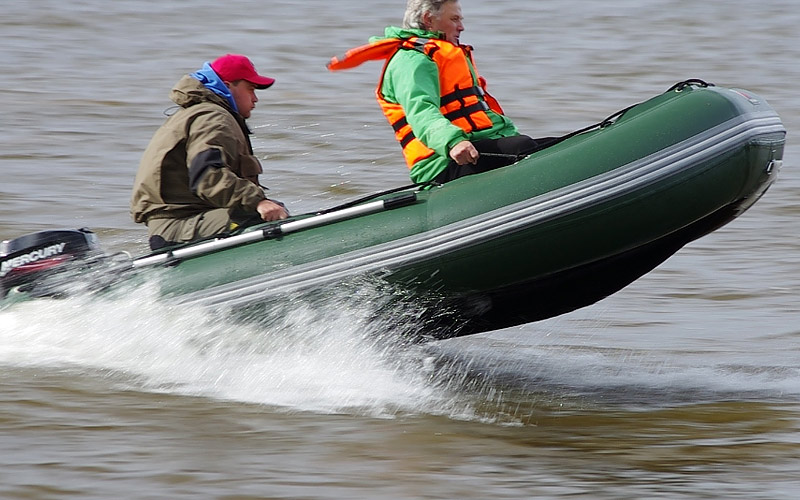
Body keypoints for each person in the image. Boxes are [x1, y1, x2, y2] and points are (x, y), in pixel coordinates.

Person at [328, 0, 550, 184]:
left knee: (550, 144)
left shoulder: (443, 55)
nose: (461, 27)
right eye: (454, 19)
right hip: (443, 163)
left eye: (460, 19)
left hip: (477, 146)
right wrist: (453, 142)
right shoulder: (413, 59)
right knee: (521, 147)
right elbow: (421, 111)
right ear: (428, 19)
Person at [131, 54, 288, 251]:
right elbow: (207, 176)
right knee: (261, 214)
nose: (255, 98)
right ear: (228, 86)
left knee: (272, 208)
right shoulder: (213, 117)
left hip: (180, 223)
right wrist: (258, 201)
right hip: (177, 227)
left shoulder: (201, 113)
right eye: (251, 89)